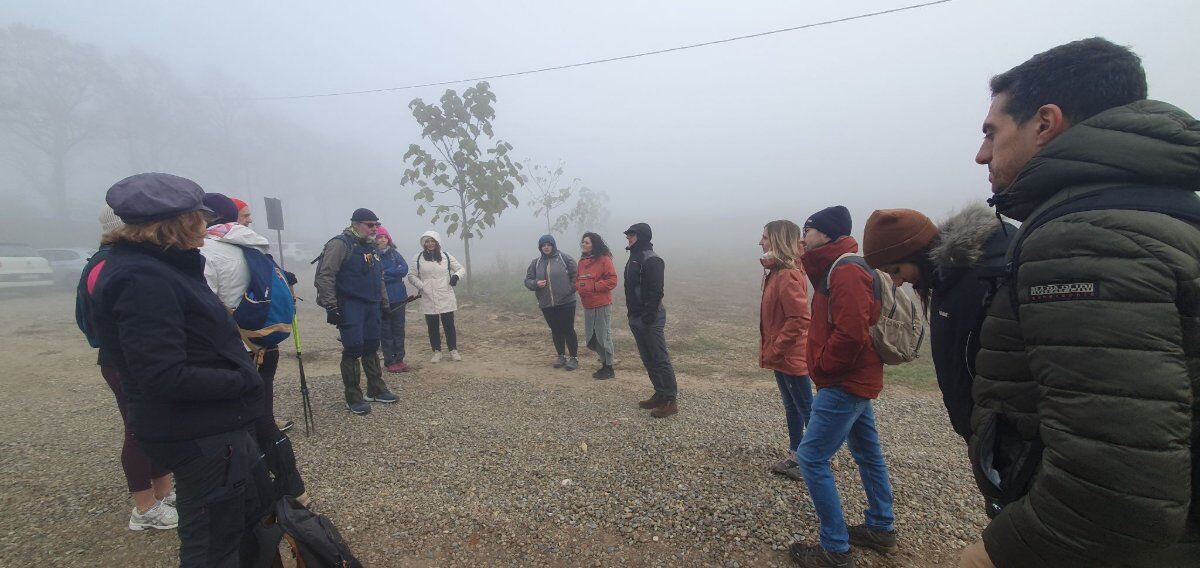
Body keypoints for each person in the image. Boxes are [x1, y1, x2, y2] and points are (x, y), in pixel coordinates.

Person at [962, 38, 1200, 568]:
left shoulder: (1086, 239)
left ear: (1045, 123)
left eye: (992, 132)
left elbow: (1115, 483)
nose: (982, 154)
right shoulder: (1165, 211)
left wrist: (997, 553)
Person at [90, 173, 272, 566]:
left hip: (213, 425)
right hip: (198, 432)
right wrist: (241, 378)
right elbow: (162, 375)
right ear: (178, 223)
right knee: (212, 545)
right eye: (200, 217)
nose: (206, 225)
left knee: (243, 527)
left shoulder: (164, 266)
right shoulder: (142, 278)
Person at [790, 205, 896, 568]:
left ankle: (835, 549)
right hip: (856, 378)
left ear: (827, 234)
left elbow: (851, 333)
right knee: (867, 452)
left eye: (808, 230)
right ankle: (881, 527)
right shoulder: (839, 266)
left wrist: (823, 366)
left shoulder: (846, 269)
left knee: (810, 457)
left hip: (844, 381)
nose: (803, 238)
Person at [861, 206, 1013, 444]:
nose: (897, 282)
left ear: (915, 252)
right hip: (981, 425)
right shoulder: (947, 281)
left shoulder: (979, 280)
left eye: (896, 270)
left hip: (1002, 426)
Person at [198, 192, 308, 505]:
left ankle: (264, 492)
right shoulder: (252, 246)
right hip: (263, 342)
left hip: (234, 348)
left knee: (245, 423)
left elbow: (203, 307)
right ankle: (291, 488)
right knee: (263, 418)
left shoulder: (205, 251)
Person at [75, 204, 177, 531]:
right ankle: (144, 508)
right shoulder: (107, 265)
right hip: (124, 360)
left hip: (133, 357)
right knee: (137, 429)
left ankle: (163, 492)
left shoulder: (117, 261)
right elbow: (91, 322)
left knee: (156, 425)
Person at [314, 208, 398, 415]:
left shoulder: (372, 247)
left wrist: (384, 304)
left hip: (372, 304)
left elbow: (378, 278)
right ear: (355, 224)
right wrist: (331, 306)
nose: (374, 229)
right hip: (350, 304)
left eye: (376, 225)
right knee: (353, 347)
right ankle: (353, 397)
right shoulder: (340, 244)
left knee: (371, 345)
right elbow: (325, 275)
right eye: (370, 225)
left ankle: (376, 389)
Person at [758, 220, 812, 482]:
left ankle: (812, 460)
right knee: (792, 406)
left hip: (791, 355)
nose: (760, 242)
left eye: (765, 237)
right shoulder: (776, 272)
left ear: (778, 240)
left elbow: (799, 318)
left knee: (806, 409)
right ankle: (796, 454)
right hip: (782, 354)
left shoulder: (788, 274)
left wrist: (777, 349)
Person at [623, 223, 678, 418]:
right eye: (628, 234)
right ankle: (660, 393)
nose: (628, 237)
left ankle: (670, 400)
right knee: (648, 358)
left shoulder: (652, 259)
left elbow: (656, 291)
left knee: (659, 358)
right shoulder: (634, 258)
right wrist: (632, 314)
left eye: (632, 234)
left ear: (642, 236)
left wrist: (647, 315)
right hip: (636, 316)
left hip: (650, 317)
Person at [406, 230, 465, 363]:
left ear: (437, 242)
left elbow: (461, 269)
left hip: (445, 294)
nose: (430, 244)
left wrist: (456, 276)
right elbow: (411, 275)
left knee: (449, 324)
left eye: (432, 241)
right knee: (432, 326)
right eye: (427, 241)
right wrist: (422, 286)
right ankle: (437, 351)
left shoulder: (446, 256)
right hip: (428, 295)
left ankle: (453, 350)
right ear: (423, 244)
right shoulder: (418, 258)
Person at [524, 234, 580, 371]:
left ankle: (574, 358)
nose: (546, 247)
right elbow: (528, 280)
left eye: (549, 245)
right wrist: (536, 284)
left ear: (553, 245)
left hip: (566, 302)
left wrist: (569, 290)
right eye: (543, 245)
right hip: (546, 303)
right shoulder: (536, 263)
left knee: (568, 329)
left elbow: (576, 276)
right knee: (555, 330)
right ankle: (561, 356)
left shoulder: (565, 258)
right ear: (540, 248)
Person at [576, 232, 619, 379]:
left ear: (594, 245)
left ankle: (609, 367)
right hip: (588, 305)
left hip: (602, 304)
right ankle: (604, 362)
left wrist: (594, 286)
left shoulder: (604, 259)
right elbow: (578, 280)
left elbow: (612, 280)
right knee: (592, 337)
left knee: (603, 335)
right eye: (583, 242)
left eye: (587, 242)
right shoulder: (582, 262)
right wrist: (579, 287)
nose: (583, 244)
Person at [375, 226, 411, 373]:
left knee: (398, 329)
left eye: (385, 237)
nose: (383, 240)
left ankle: (400, 359)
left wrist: (386, 274)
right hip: (382, 300)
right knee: (386, 331)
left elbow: (404, 269)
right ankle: (390, 361)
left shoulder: (395, 254)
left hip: (399, 298)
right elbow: (375, 275)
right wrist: (393, 274)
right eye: (379, 237)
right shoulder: (372, 256)